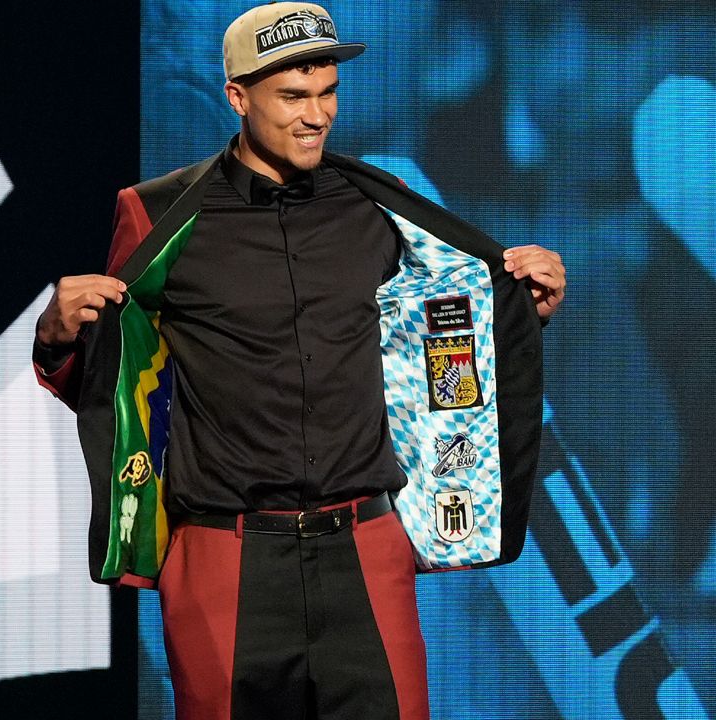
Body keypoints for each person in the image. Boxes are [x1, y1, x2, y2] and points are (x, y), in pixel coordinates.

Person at [33, 4, 565, 719]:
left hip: (368, 548)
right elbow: (117, 378)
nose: (317, 115)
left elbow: (445, 335)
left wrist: (524, 310)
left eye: (327, 93)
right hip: (224, 557)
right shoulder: (158, 212)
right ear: (237, 97)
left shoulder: (383, 204)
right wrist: (57, 334)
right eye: (293, 96)